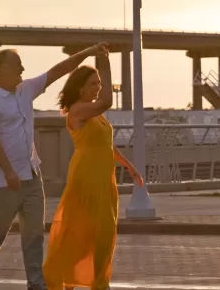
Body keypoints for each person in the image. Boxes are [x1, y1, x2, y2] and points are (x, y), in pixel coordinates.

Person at [0, 44, 108, 290]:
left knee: (33, 233)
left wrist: (86, 52)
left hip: (32, 175)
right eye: (17, 64)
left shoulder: (26, 90)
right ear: (2, 69)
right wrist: (9, 171)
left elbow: (57, 71)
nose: (23, 68)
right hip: (5, 180)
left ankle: (35, 283)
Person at [44, 45, 143, 290]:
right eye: (93, 84)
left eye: (98, 83)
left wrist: (128, 165)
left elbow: (106, 144)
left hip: (103, 177)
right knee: (83, 231)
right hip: (85, 177)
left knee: (103, 230)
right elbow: (107, 101)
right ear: (80, 88)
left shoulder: (96, 115)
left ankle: (92, 280)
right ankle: (80, 280)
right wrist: (105, 64)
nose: (97, 88)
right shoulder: (78, 111)